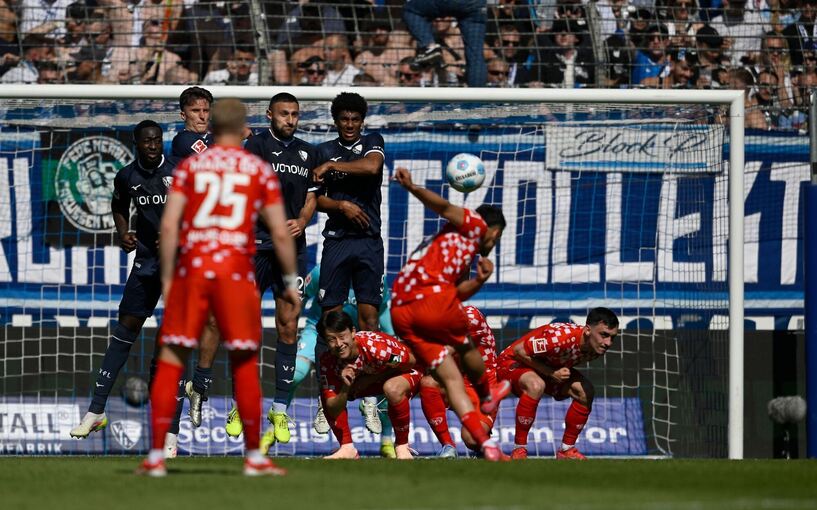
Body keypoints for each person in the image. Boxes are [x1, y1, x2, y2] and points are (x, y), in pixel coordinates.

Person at [135, 98, 300, 477]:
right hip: (235, 272)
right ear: (243, 128)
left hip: (193, 269)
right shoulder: (256, 168)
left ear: (212, 127)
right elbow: (278, 230)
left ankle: (156, 456)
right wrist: (289, 280)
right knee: (243, 362)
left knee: (173, 360)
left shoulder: (191, 166)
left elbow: (170, 225)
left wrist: (167, 278)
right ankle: (254, 458)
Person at [69, 121, 185, 456]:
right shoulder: (126, 176)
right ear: (136, 142)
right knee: (126, 329)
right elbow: (119, 205)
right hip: (147, 263)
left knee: (172, 341)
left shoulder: (179, 173)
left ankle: (170, 432)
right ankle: (96, 410)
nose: (153, 145)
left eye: (157, 141)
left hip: (179, 265)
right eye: (147, 141)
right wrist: (123, 233)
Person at [389, 166, 510, 462]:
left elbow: (454, 295)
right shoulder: (476, 224)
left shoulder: (457, 251)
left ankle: (487, 445)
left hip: (402, 309)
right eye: (497, 238)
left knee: (451, 380)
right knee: (466, 344)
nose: (493, 244)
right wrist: (413, 187)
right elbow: (442, 206)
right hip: (427, 300)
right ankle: (487, 394)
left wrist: (478, 281)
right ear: (493, 231)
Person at [241, 92, 318, 449]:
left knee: (289, 325)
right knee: (246, 327)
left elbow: (312, 197)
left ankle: (279, 408)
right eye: (284, 113)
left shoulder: (308, 152)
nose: (290, 119)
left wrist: (303, 220)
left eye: (295, 114)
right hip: (255, 247)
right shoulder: (253, 147)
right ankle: (244, 403)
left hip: (292, 252)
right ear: (270, 114)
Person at [287, 264, 397, 457]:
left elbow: (383, 309)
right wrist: (290, 320)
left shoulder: (374, 276)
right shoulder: (323, 271)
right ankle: (277, 421)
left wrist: (390, 338)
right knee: (296, 374)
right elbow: (302, 295)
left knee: (387, 377)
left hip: (355, 338)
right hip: (319, 332)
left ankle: (387, 439)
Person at [496, 307, 619, 460]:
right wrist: (551, 374)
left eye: (612, 337)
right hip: (511, 363)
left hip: (544, 368)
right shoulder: (559, 338)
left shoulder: (595, 347)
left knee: (585, 391)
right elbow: (520, 351)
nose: (608, 343)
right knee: (536, 385)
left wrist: (556, 379)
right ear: (588, 330)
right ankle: (519, 450)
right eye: (604, 335)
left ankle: (566, 450)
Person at [312, 92, 385, 334]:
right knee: (330, 318)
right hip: (337, 240)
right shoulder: (322, 151)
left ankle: (368, 371)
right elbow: (315, 200)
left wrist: (332, 165)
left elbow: (372, 166)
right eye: (344, 119)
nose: (350, 124)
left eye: (355, 119)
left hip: (368, 240)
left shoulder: (372, 142)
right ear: (336, 121)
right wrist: (341, 206)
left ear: (362, 121)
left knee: (370, 320)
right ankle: (328, 372)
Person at [318, 311, 422, 460]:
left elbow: (410, 362)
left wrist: (371, 379)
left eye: (342, 337)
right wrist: (346, 387)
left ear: (353, 332)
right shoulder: (327, 361)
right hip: (372, 379)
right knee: (328, 396)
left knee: (391, 388)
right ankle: (347, 449)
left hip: (409, 370)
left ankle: (402, 446)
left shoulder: (376, 348)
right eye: (331, 340)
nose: (339, 344)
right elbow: (333, 407)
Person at [419, 305, 498, 458]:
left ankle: (485, 446)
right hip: (457, 379)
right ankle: (448, 447)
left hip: (483, 382)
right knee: (428, 383)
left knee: (471, 439)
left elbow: (449, 348)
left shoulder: (470, 316)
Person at [403, 0, 488, 87]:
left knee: (410, 10)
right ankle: (477, 98)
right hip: (476, 4)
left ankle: (430, 47)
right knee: (476, 56)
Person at [171, 86, 213, 159]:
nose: (202, 116)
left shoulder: (217, 136)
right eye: (195, 111)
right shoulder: (184, 140)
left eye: (206, 111)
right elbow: (213, 161)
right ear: (183, 115)